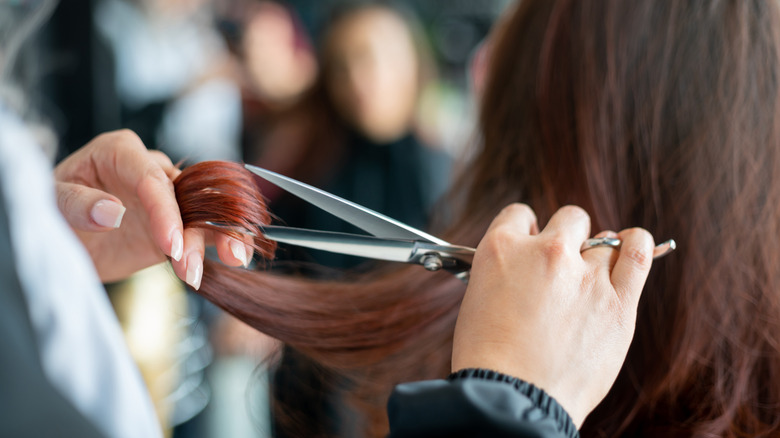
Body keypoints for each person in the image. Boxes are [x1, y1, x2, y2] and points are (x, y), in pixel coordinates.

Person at [184, 0, 780, 436]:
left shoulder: (439, 171)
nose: (360, 83)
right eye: (343, 66)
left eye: (373, 60)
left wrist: (513, 401)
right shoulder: (309, 156)